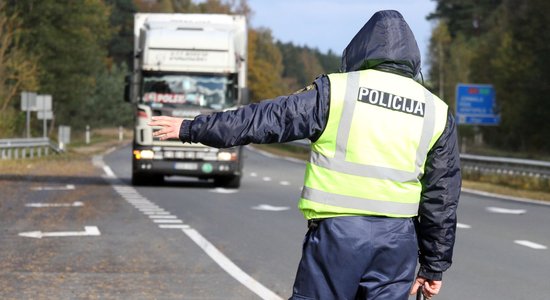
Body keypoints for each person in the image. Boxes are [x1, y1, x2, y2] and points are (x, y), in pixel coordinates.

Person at [149, 10, 461, 300]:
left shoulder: (336, 91)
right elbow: (442, 198)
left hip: (338, 236)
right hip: (398, 243)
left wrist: (193, 128)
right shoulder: (436, 111)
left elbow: (263, 120)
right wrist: (433, 267)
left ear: (361, 49)